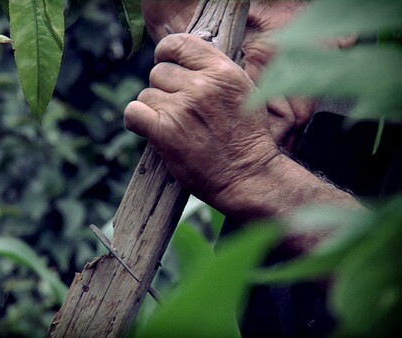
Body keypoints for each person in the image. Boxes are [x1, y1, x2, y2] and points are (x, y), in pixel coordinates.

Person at [125, 0, 402, 336]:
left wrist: (253, 172)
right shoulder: (248, 225)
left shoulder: (249, 175)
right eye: (179, 56)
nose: (210, 79)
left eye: (241, 33)